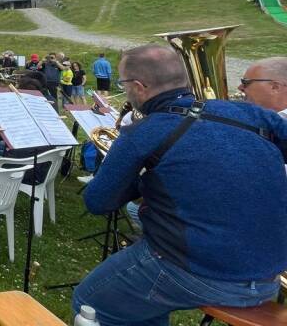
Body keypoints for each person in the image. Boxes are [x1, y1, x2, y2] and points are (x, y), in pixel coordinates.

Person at [75, 44, 287, 323]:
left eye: (123, 84)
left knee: (89, 301)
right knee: (140, 303)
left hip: (201, 273)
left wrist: (143, 180)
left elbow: (98, 202)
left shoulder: (143, 132)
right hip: (268, 276)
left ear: (139, 87)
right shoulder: (253, 115)